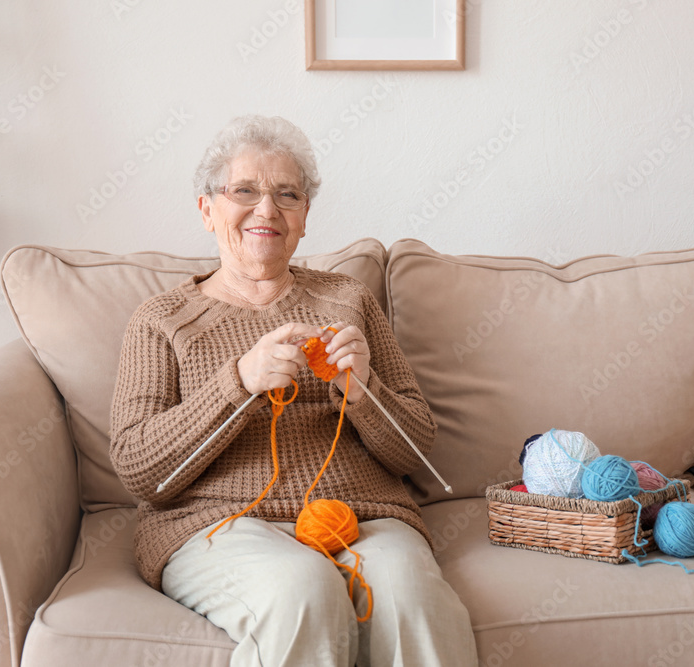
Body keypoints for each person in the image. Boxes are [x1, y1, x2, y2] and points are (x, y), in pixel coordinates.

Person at [110, 115, 479, 667]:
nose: (267, 210)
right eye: (245, 191)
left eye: (288, 194)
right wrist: (237, 385)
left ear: (305, 217)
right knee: (302, 587)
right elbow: (140, 467)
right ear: (207, 209)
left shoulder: (347, 300)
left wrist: (364, 392)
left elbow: (420, 450)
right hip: (220, 525)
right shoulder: (162, 320)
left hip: (364, 517)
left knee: (413, 594)